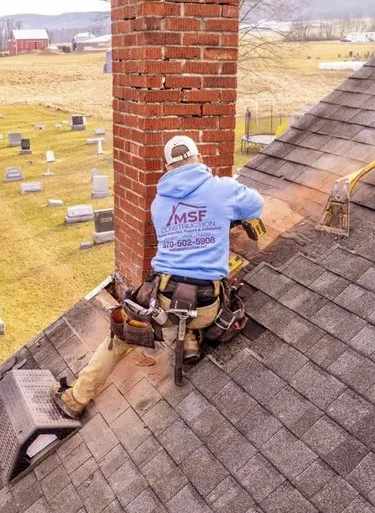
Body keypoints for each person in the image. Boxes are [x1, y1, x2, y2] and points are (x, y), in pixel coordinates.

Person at [54, 135, 265, 419]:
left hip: (164, 301)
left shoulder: (159, 204)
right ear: (199, 159)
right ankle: (189, 334)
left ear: (167, 168)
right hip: (208, 307)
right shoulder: (222, 189)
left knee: (122, 337)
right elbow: (256, 204)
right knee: (194, 286)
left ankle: (74, 399)